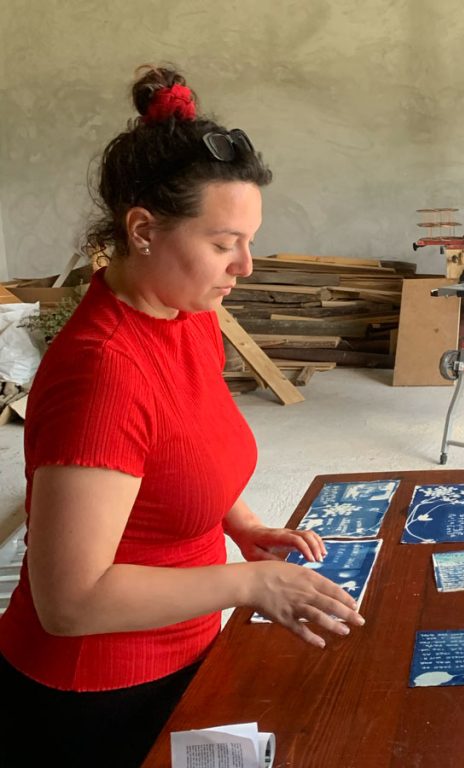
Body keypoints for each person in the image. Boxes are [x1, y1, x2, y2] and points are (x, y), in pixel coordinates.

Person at [0, 66, 364, 767]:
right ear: (142, 230)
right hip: (95, 692)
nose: (246, 266)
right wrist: (248, 581)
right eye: (225, 243)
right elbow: (70, 602)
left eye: (249, 241)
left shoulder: (185, 312)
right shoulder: (103, 372)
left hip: (185, 640)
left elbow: (186, 448)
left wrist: (245, 527)